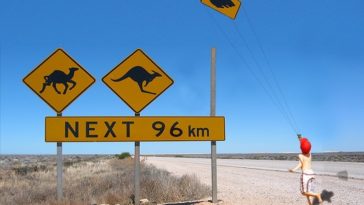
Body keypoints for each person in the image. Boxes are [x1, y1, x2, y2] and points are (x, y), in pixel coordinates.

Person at [289, 134, 323, 205]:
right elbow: (305, 146)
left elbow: (300, 164)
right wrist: (300, 139)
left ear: (301, 148)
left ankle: (317, 195)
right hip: (312, 173)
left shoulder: (300, 155)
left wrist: (293, 170)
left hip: (306, 174)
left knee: (303, 192)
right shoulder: (310, 154)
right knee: (309, 191)